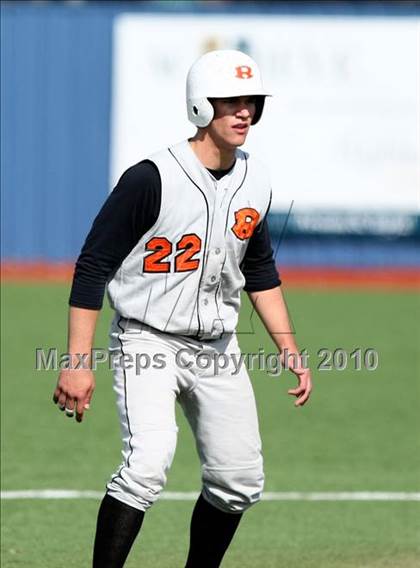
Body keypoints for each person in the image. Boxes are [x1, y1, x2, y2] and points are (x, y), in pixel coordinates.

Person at [53, 49, 312, 567]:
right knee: (147, 466)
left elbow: (258, 269)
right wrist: (77, 363)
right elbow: (92, 266)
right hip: (147, 339)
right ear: (200, 106)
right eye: (230, 102)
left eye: (252, 103)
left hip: (218, 348)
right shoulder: (151, 178)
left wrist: (289, 348)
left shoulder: (254, 181)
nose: (244, 113)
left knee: (239, 481)